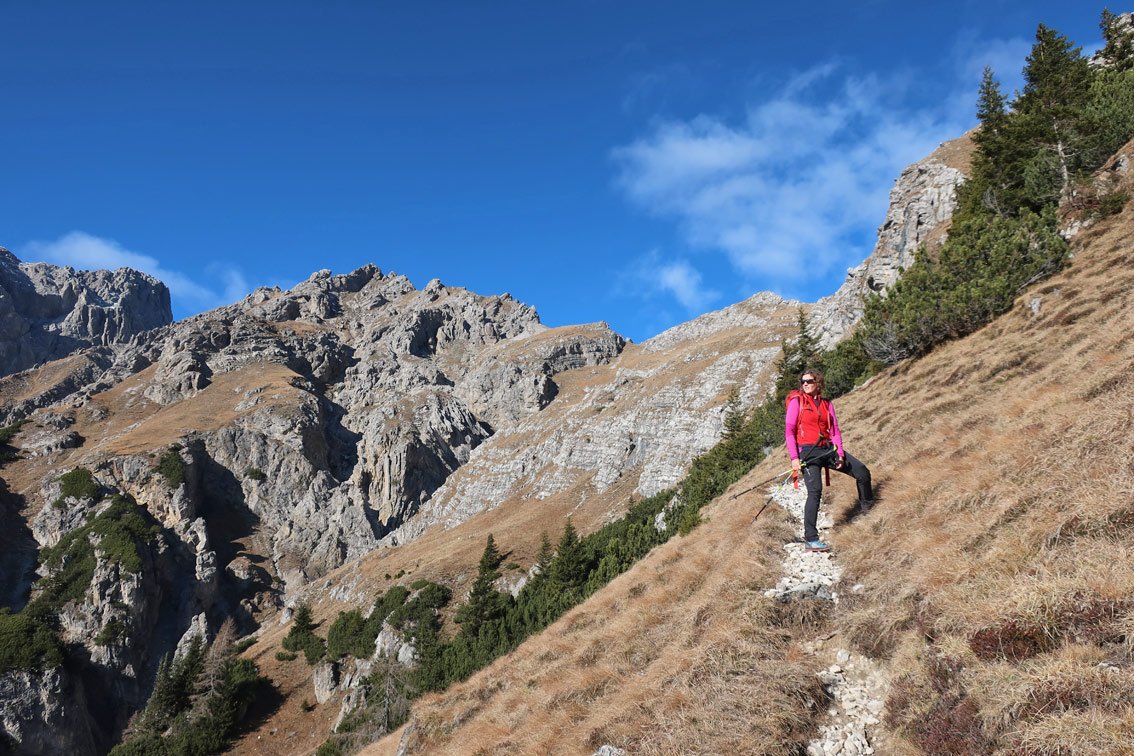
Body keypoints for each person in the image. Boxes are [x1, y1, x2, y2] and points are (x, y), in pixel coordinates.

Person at [785, 368, 873, 552]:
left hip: (827, 449)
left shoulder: (826, 404)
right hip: (808, 452)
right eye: (803, 381)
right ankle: (811, 538)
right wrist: (794, 458)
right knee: (815, 492)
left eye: (809, 381)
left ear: (818, 383)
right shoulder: (797, 402)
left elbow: (834, 431)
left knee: (862, 472)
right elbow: (790, 431)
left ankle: (868, 509)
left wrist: (839, 453)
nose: (805, 384)